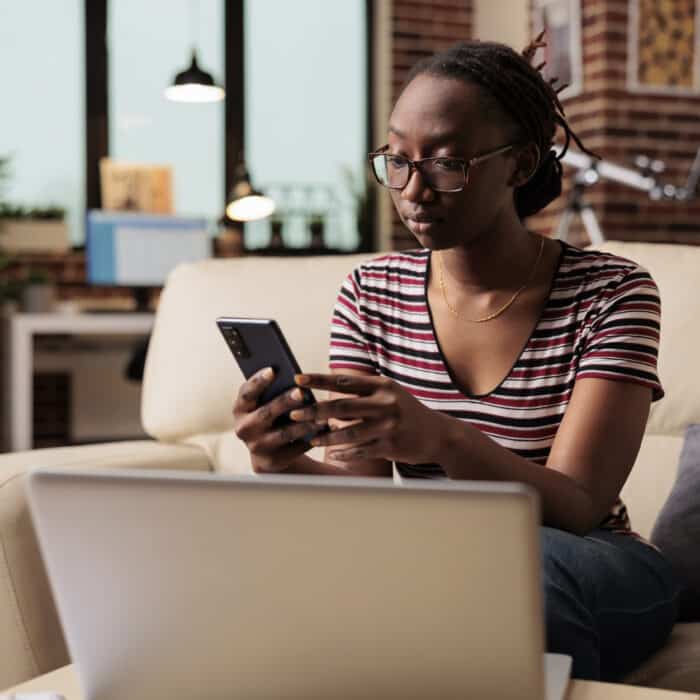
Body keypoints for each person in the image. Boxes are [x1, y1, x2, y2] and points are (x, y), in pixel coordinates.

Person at [231, 37, 679, 681]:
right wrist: (275, 462)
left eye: (445, 164)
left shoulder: (613, 292)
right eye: (398, 160)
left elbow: (579, 504)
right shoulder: (371, 293)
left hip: (588, 559)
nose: (414, 190)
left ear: (521, 164)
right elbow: (360, 492)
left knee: (519, 575)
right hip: (430, 558)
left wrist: (440, 438)